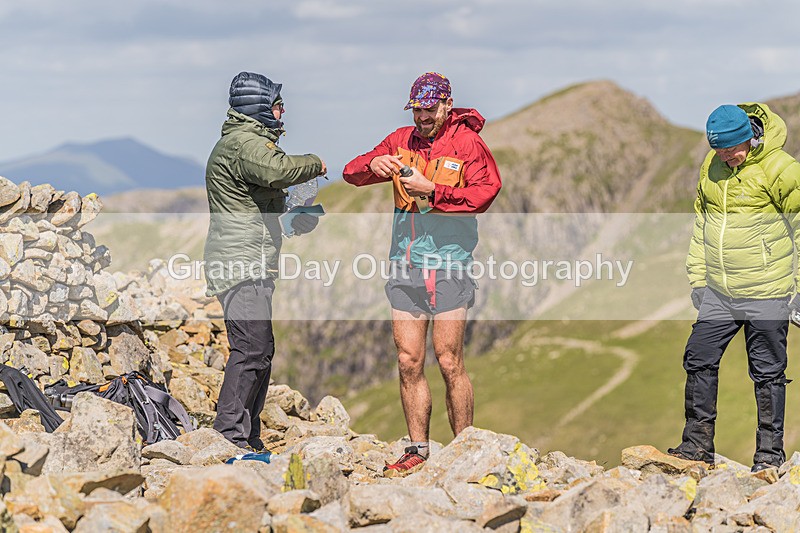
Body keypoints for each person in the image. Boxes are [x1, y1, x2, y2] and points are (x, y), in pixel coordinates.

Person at [342, 72, 502, 474]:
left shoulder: (468, 143)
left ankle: (465, 447)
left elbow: (486, 193)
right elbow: (351, 172)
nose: (423, 117)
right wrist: (373, 162)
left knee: (449, 360)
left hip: (450, 264)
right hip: (405, 263)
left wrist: (434, 192)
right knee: (408, 360)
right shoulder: (400, 139)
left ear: (447, 105)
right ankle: (418, 449)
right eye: (417, 109)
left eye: (429, 109)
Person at [668, 103, 800, 472]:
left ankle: (768, 458)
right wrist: (697, 277)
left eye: (732, 149)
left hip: (768, 290)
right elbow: (702, 224)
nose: (727, 157)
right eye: (719, 150)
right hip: (720, 293)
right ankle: (696, 447)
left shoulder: (782, 170)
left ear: (751, 137)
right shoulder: (711, 168)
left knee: (768, 373)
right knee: (698, 357)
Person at [204, 71, 326, 451]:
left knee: (261, 349)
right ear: (259, 108)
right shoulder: (244, 144)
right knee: (251, 348)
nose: (283, 111)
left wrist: (291, 220)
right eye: (277, 105)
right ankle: (229, 436)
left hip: (251, 261)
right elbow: (280, 171)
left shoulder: (246, 145)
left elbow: (259, 202)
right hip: (239, 263)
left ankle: (248, 435)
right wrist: (316, 162)